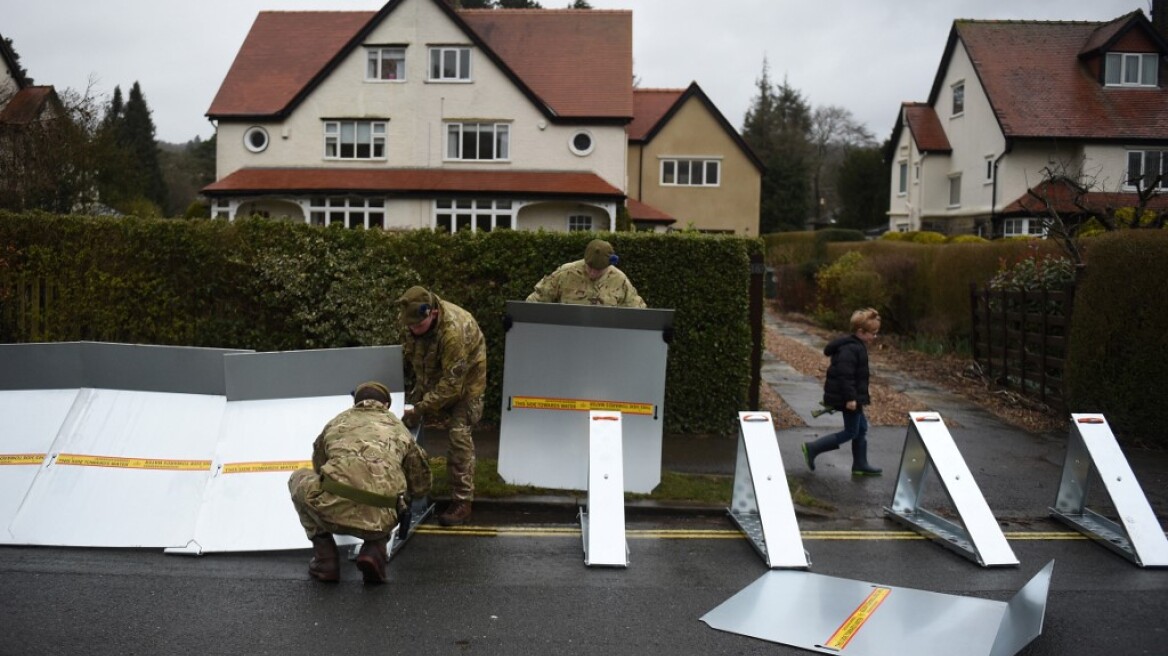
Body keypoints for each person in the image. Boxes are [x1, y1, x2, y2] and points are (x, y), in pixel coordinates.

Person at [288, 381, 432, 584]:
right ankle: (374, 550)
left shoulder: (336, 423)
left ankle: (325, 560)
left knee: (298, 478)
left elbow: (319, 467)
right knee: (399, 493)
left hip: (331, 510)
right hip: (380, 518)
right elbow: (421, 485)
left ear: (356, 402)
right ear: (387, 405)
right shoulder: (400, 431)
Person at [397, 285, 487, 527]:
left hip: (465, 385)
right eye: (410, 326)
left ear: (432, 313)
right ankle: (405, 493)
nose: (413, 330)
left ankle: (462, 502)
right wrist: (414, 402)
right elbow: (413, 355)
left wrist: (420, 409)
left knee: (459, 436)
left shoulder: (454, 331)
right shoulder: (411, 315)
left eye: (417, 326)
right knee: (399, 428)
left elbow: (452, 386)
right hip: (431, 376)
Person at [801, 308, 883, 476]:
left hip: (854, 397)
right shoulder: (851, 349)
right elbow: (845, 376)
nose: (875, 337)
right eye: (873, 333)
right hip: (849, 398)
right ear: (861, 331)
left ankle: (860, 464)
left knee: (861, 428)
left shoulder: (855, 346)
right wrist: (851, 398)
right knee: (851, 431)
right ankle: (813, 448)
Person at [526, 238, 646, 308]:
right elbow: (535, 302)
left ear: (609, 265)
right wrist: (517, 320)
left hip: (605, 341)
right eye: (590, 267)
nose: (593, 273)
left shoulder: (620, 280)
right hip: (568, 336)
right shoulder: (565, 273)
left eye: (598, 270)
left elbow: (638, 313)